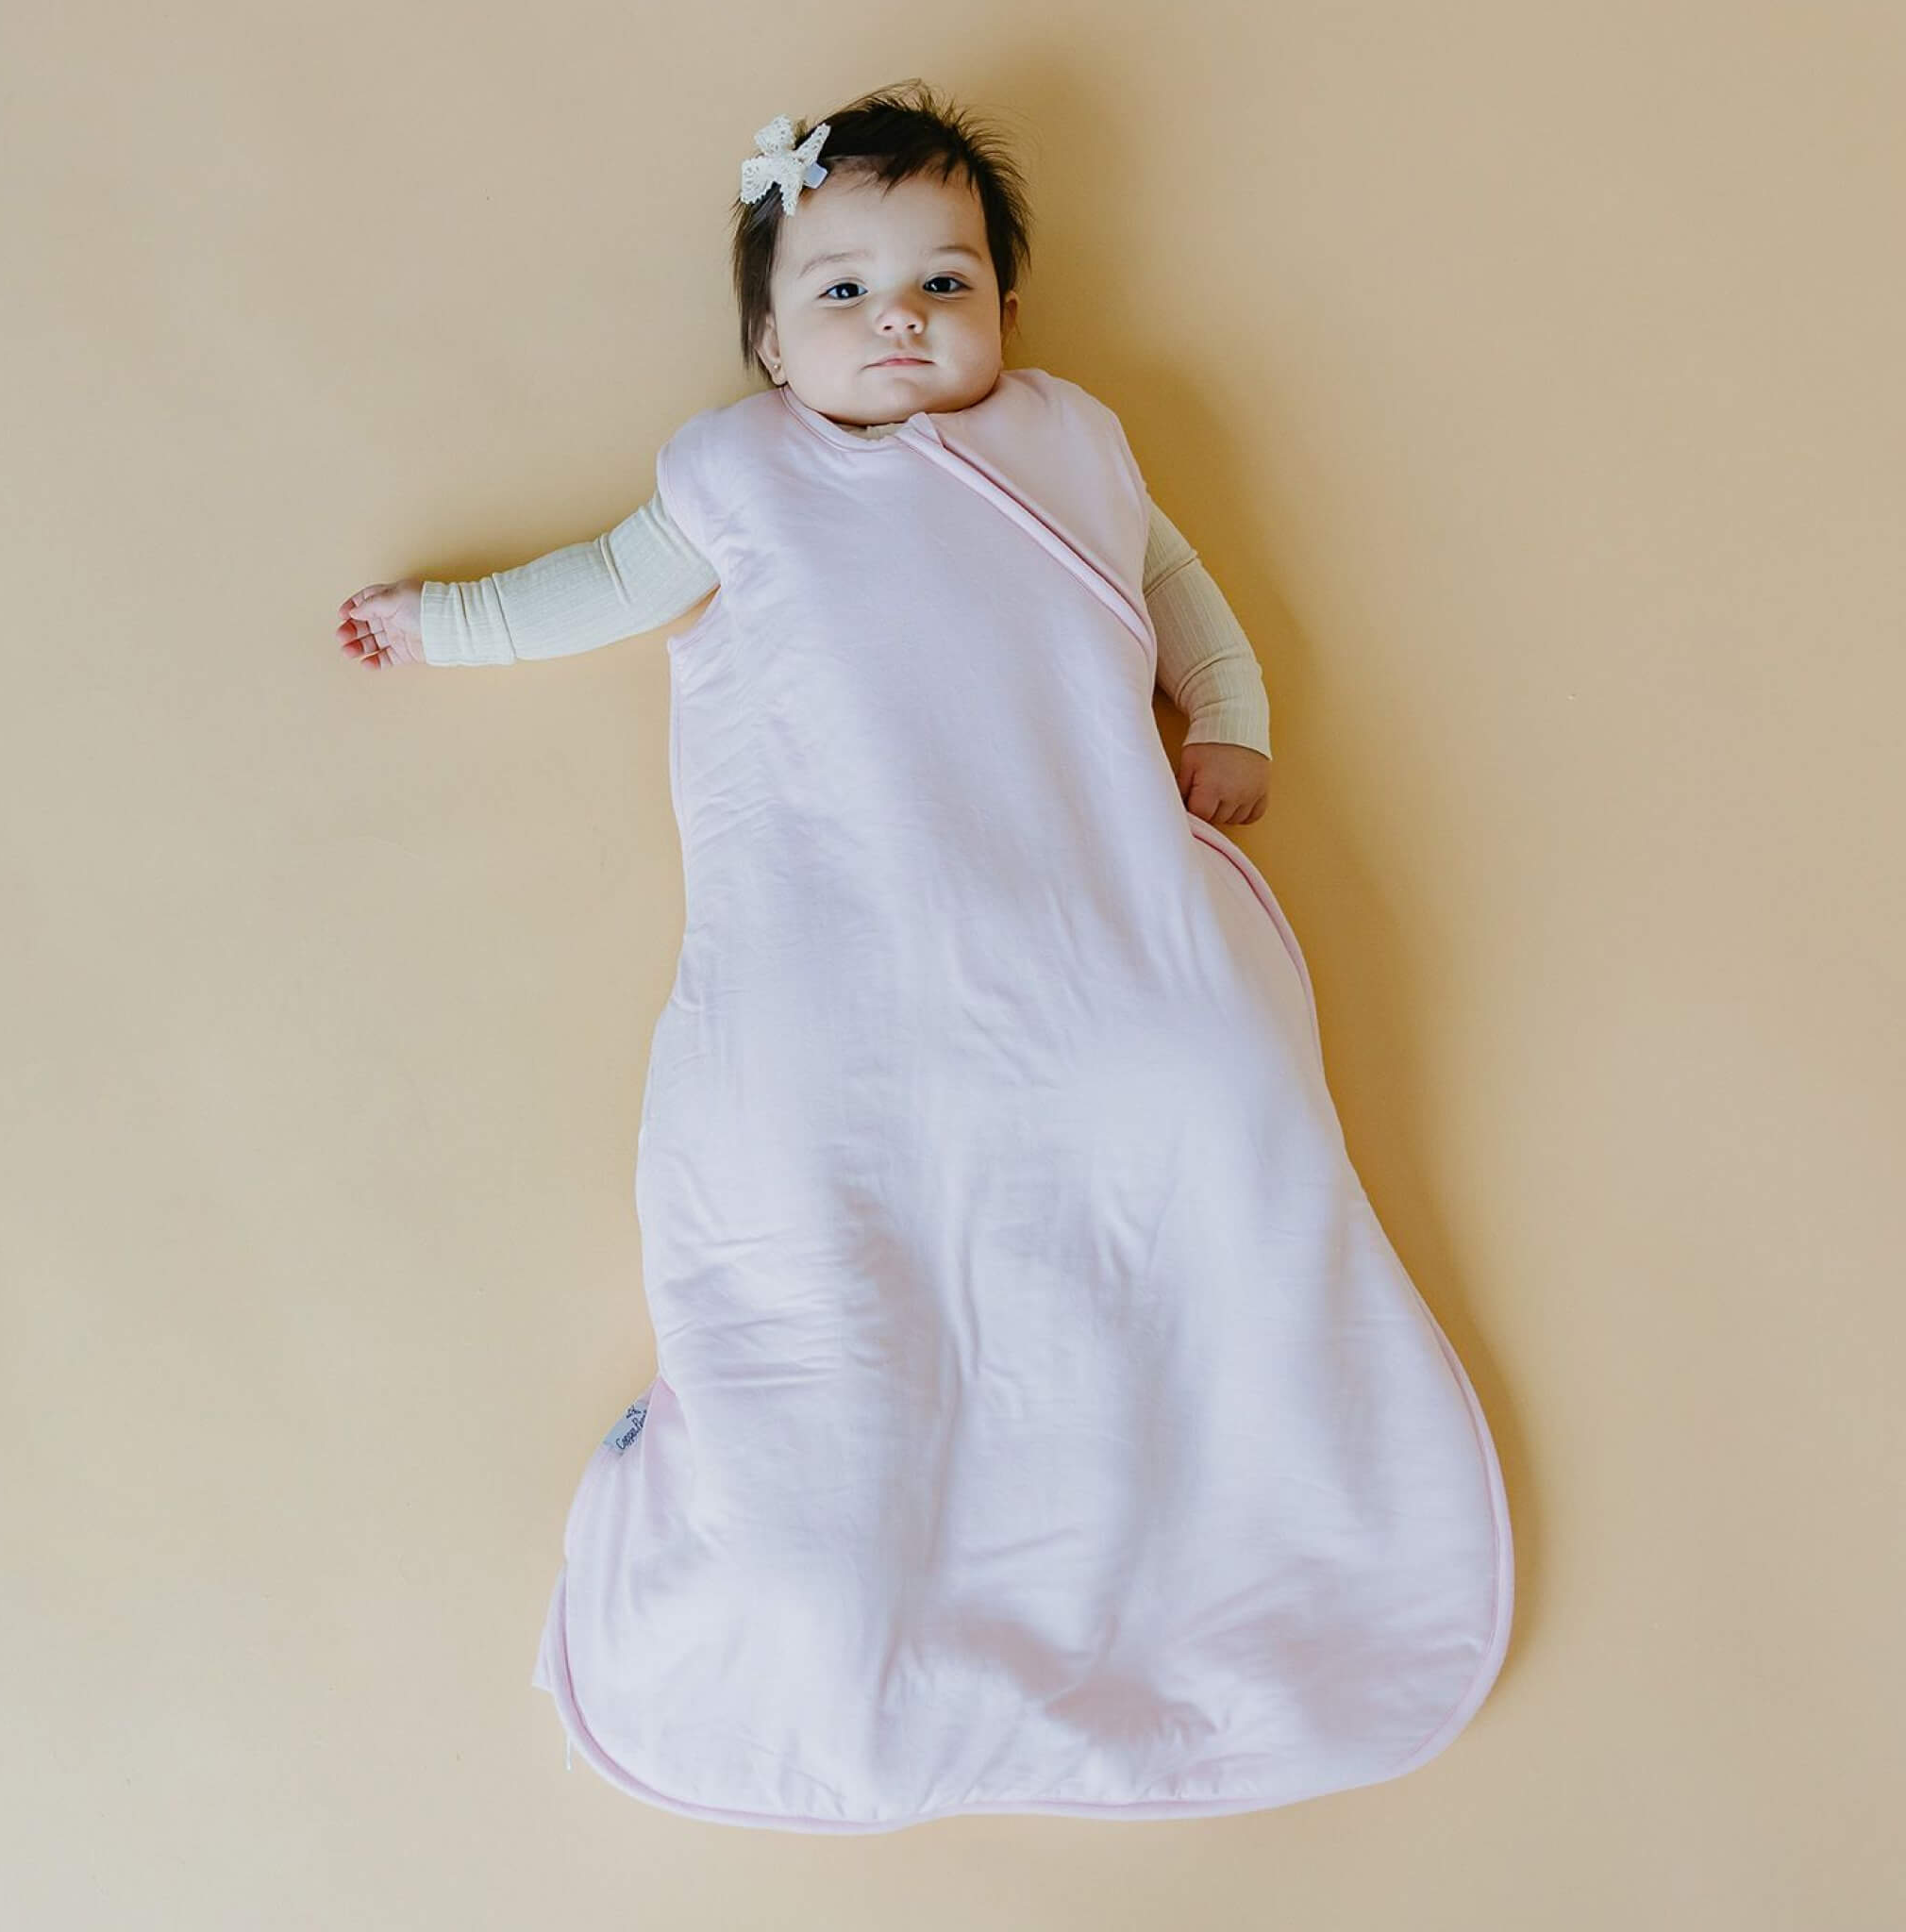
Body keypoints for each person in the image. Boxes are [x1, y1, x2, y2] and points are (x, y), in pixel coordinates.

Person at [334, 82, 1513, 1833]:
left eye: (944, 284)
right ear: (769, 344)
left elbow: (1180, 598)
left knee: (1217, 1108)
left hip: (1087, 933)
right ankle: (834, 1591)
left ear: (1006, 313)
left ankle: (1231, 1528)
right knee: (811, 1210)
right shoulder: (740, 482)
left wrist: (1232, 719)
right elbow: (596, 586)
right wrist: (442, 625)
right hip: (844, 953)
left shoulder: (1077, 449)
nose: (899, 319)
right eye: (844, 291)